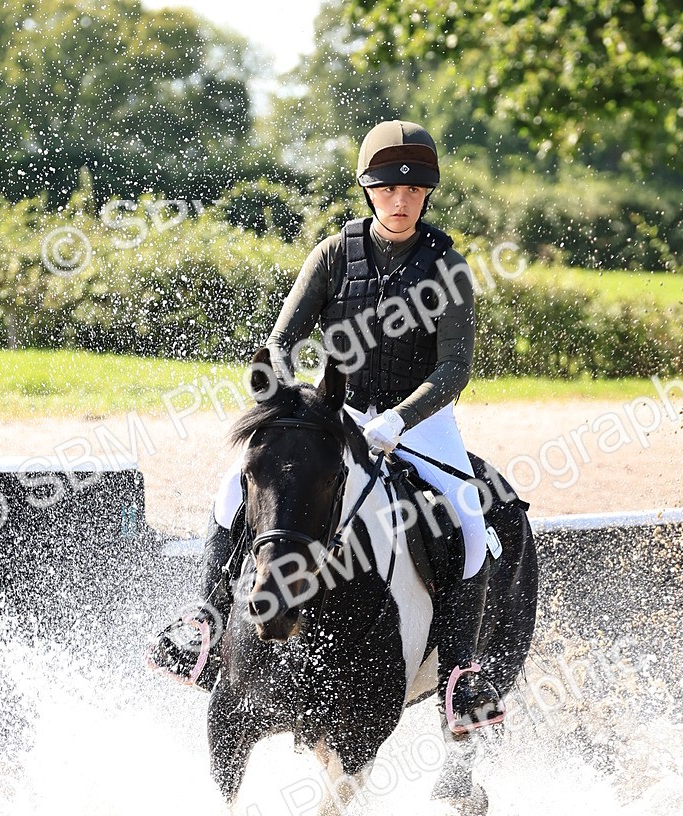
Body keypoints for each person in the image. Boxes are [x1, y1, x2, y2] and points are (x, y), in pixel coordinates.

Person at [150, 119, 503, 732]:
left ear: (427, 194)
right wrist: (276, 385)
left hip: (419, 420)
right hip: (334, 409)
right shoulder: (335, 254)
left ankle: (461, 680)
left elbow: (454, 368)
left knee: (470, 519)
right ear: (368, 190)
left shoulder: (449, 265)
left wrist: (399, 418)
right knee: (234, 489)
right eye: (388, 189)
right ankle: (203, 623)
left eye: (413, 191)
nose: (400, 201)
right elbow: (284, 337)